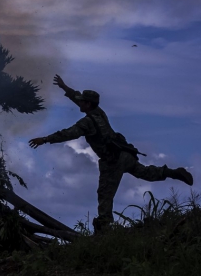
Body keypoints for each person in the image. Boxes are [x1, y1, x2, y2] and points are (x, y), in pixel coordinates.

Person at [29, 75, 193, 232]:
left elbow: (68, 133)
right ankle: (173, 172)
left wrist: (45, 139)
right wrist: (64, 87)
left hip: (112, 161)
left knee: (105, 195)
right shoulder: (99, 112)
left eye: (82, 102)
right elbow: (77, 96)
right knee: (145, 173)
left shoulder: (87, 122)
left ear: (87, 104)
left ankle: (105, 228)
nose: (79, 103)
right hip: (125, 154)